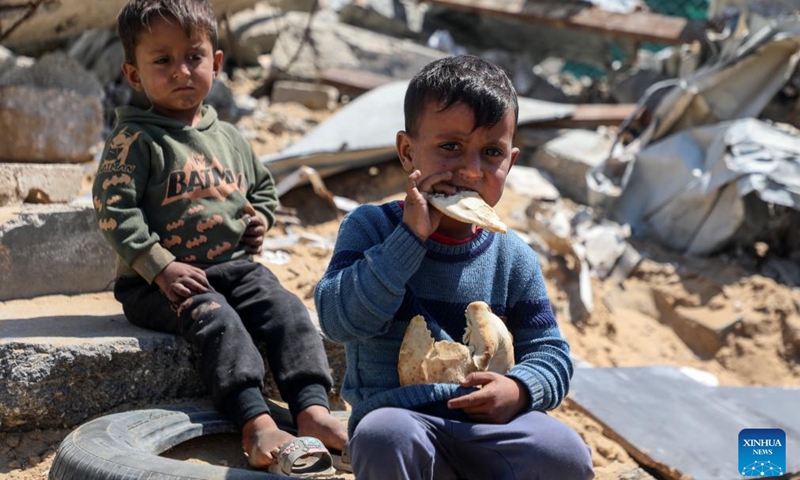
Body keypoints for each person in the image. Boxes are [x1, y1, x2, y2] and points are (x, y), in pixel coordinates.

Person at [92, 0, 347, 471]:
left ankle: (312, 410)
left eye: (194, 57)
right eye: (162, 61)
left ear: (217, 63)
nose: (182, 71)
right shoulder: (136, 140)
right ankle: (254, 423)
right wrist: (160, 266)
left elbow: (264, 189)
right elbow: (114, 209)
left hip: (234, 265)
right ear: (133, 74)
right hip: (157, 285)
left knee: (288, 309)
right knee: (217, 319)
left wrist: (260, 221)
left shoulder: (228, 136)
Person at [314, 55, 594, 480]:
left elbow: (550, 352)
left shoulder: (512, 256)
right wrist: (409, 239)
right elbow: (339, 320)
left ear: (510, 163)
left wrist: (519, 390)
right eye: (450, 147)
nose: (470, 169)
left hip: (489, 430)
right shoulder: (371, 228)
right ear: (408, 152)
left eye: (491, 153)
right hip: (402, 421)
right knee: (383, 436)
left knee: (565, 452)